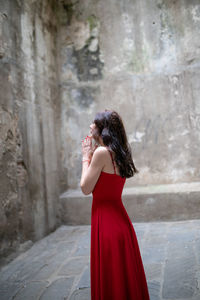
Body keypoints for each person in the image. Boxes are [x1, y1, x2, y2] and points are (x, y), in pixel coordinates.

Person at [80, 110, 150, 300]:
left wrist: (85, 157)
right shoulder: (117, 151)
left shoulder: (101, 153)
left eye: (94, 124)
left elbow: (85, 188)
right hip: (120, 220)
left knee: (111, 277)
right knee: (123, 276)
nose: (90, 127)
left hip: (107, 222)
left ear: (103, 130)